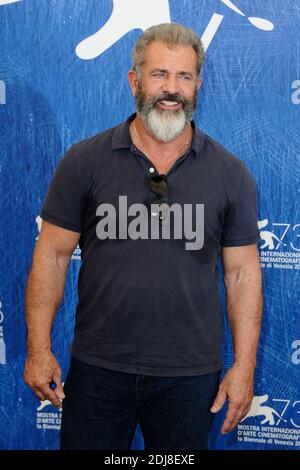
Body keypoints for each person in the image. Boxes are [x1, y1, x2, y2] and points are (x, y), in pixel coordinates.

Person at [24, 23, 263, 450]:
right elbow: (53, 255)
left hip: (190, 379)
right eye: (159, 75)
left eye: (184, 77)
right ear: (134, 80)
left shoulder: (231, 173)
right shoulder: (84, 161)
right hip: (98, 369)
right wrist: (38, 348)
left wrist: (244, 367)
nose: (172, 89)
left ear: (197, 85)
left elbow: (243, 274)